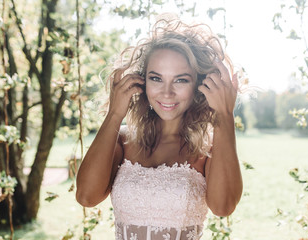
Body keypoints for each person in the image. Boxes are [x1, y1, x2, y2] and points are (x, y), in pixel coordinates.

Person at [76, 15, 243, 240]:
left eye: (181, 80)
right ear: (143, 81)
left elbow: (223, 207)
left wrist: (225, 115)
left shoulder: (209, 150)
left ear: (198, 85)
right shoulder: (121, 141)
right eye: (156, 78)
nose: (167, 93)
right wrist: (115, 113)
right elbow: (86, 197)